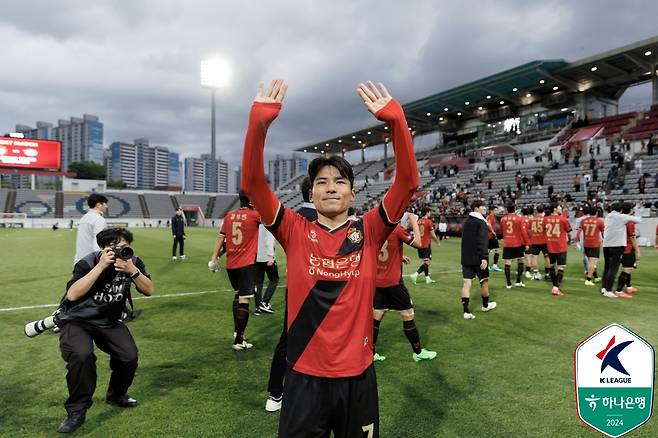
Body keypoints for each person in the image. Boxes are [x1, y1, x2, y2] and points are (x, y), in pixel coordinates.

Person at [240, 79, 419, 437]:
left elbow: (408, 183)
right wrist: (258, 123)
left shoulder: (369, 230)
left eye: (339, 181)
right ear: (311, 193)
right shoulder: (292, 229)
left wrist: (397, 122)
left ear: (353, 193)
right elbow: (254, 184)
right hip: (304, 377)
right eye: (322, 181)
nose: (331, 186)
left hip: (358, 376)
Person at [55, 228, 154, 433]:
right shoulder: (88, 262)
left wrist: (132, 271)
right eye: (114, 247)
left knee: (129, 356)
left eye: (124, 246)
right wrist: (100, 267)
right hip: (77, 320)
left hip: (108, 321)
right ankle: (76, 411)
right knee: (81, 356)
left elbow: (149, 290)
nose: (120, 251)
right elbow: (72, 295)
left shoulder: (132, 261)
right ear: (102, 248)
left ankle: (117, 395)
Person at [265, 177, 316, 413]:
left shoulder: (293, 216)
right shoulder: (328, 217)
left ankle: (275, 393)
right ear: (313, 192)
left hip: (297, 286)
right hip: (325, 289)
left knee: (288, 339)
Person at [372, 212, 436, 361]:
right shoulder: (397, 229)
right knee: (408, 315)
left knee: (377, 316)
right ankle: (418, 353)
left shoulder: (375, 229)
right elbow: (419, 244)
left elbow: (378, 251)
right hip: (393, 282)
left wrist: (398, 256)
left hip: (378, 281)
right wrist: (414, 222)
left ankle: (371, 353)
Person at [209, 192, 260, 350]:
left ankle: (236, 331)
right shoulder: (255, 215)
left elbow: (221, 238)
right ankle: (239, 340)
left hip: (231, 265)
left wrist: (214, 257)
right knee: (244, 300)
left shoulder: (229, 215)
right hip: (247, 265)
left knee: (238, 295)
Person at [460, 200, 497, 320]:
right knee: (484, 282)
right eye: (483, 206)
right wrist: (484, 258)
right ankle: (485, 305)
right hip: (478, 258)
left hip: (466, 257)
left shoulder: (465, 222)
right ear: (476, 208)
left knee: (467, 284)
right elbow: (482, 241)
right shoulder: (481, 222)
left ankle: (466, 312)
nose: (485, 208)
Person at [601, 202, 641, 298]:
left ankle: (604, 287)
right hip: (617, 246)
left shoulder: (608, 216)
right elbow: (639, 220)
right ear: (622, 210)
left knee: (607, 267)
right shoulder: (623, 218)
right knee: (615, 268)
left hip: (606, 245)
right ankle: (610, 290)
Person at [500, 202, 530, 289]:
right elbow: (523, 232)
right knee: (521, 261)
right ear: (515, 209)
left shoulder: (503, 219)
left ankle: (508, 283)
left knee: (507, 262)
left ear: (507, 209)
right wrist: (527, 243)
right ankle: (518, 281)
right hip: (518, 242)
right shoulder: (519, 218)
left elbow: (502, 231)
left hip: (507, 243)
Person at [544, 203, 572, 296]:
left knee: (552, 265)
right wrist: (570, 241)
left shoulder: (545, 219)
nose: (561, 209)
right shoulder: (563, 219)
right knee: (561, 267)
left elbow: (544, 231)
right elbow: (569, 232)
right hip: (560, 246)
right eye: (560, 207)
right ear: (555, 209)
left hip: (550, 245)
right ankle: (555, 288)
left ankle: (555, 286)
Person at [574, 206, 604, 286]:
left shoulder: (583, 221)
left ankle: (596, 277)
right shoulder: (599, 221)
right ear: (596, 213)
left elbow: (578, 231)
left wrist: (575, 241)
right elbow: (603, 232)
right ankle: (588, 279)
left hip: (586, 243)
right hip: (594, 244)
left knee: (590, 261)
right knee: (592, 262)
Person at [74, 193, 108, 264]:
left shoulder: (84, 217)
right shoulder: (99, 219)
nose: (106, 206)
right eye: (105, 203)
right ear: (98, 205)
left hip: (80, 260)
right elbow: (98, 244)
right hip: (91, 263)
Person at [615, 204, 640, 297]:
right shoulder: (630, 222)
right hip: (627, 249)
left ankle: (629, 287)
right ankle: (619, 291)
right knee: (627, 269)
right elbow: (632, 238)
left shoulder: (618, 221)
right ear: (630, 210)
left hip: (619, 247)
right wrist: (637, 251)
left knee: (628, 268)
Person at [410, 207, 440, 284]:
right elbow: (432, 234)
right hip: (426, 245)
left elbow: (415, 234)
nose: (430, 213)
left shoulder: (418, 221)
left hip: (419, 244)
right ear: (427, 212)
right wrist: (437, 242)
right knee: (427, 262)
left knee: (426, 261)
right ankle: (415, 274)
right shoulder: (428, 221)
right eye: (429, 212)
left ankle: (427, 278)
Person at [254, 223, 279, 314]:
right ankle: (264, 302)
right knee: (274, 279)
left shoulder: (256, 225)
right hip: (266, 257)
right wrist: (270, 256)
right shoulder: (268, 225)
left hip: (257, 256)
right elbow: (269, 240)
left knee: (258, 282)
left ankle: (258, 307)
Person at [527, 205, 550, 280]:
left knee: (534, 257)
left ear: (536, 211)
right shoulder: (545, 219)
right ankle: (547, 273)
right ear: (543, 211)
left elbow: (529, 230)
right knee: (547, 257)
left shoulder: (531, 220)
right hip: (544, 240)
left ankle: (536, 273)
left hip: (534, 241)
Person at [486, 206, 503, 272]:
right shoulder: (489, 216)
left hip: (492, 236)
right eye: (496, 210)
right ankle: (487, 266)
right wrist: (492, 231)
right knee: (487, 252)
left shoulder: (493, 217)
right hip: (489, 236)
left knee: (497, 250)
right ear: (492, 210)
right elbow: (488, 224)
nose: (497, 212)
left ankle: (494, 266)